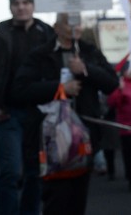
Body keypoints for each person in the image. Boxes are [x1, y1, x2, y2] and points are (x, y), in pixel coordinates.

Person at [12, 12, 118, 215]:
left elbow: (112, 84)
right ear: (56, 27)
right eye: (69, 23)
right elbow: (20, 90)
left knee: (78, 201)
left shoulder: (89, 51)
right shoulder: (40, 55)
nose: (75, 27)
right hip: (51, 140)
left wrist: (86, 70)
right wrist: (60, 87)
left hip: (84, 138)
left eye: (78, 23)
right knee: (56, 201)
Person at [0, 0, 55, 215]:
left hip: (39, 113)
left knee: (35, 172)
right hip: (8, 113)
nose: (21, 7)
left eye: (26, 2)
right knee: (11, 172)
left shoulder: (46, 33)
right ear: (10, 7)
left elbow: (58, 67)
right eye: (16, 3)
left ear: (33, 5)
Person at [107, 61, 131, 192]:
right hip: (127, 128)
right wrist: (119, 90)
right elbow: (112, 102)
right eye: (128, 70)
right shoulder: (120, 85)